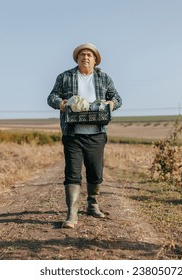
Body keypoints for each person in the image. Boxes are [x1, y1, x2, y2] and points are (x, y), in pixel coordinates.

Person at [47, 43, 122, 229]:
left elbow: (118, 99)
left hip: (97, 133)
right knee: (72, 172)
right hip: (73, 134)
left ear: (95, 60)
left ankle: (92, 204)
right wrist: (62, 104)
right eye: (82, 54)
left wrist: (111, 104)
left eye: (89, 55)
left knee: (95, 172)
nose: (85, 57)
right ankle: (72, 213)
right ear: (77, 59)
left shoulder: (104, 78)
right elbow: (51, 97)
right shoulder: (65, 77)